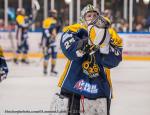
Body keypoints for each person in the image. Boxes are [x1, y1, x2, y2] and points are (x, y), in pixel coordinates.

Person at [57, 4, 123, 115]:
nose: (92, 18)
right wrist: (85, 43)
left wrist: (104, 46)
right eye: (89, 16)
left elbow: (114, 60)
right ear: (83, 19)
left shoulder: (110, 33)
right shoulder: (75, 29)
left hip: (100, 88)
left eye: (95, 15)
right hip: (73, 85)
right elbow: (69, 50)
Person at [40, 9, 58, 75]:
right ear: (52, 14)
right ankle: (50, 71)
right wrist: (50, 38)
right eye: (55, 13)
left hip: (49, 41)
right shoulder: (51, 21)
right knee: (51, 56)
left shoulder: (47, 21)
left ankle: (47, 71)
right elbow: (48, 31)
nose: (56, 15)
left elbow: (45, 31)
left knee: (50, 56)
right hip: (49, 41)